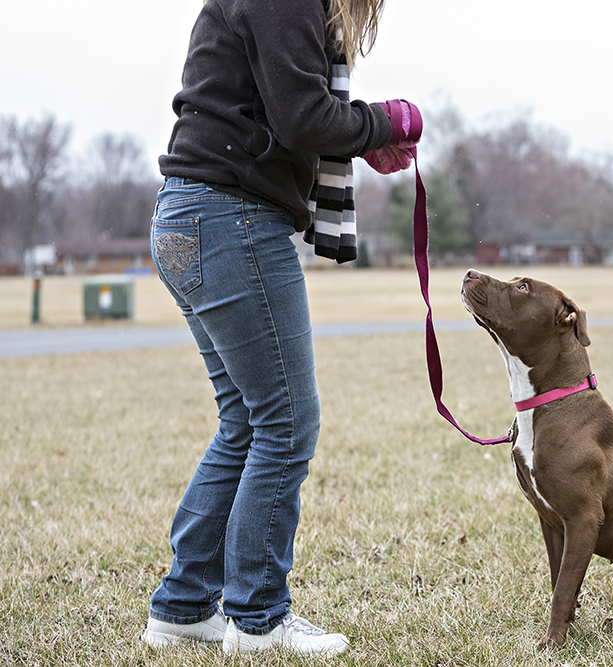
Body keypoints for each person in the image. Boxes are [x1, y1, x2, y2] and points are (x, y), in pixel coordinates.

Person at [141, 0, 415, 655]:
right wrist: (388, 120)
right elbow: (302, 116)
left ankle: (183, 606)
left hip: (187, 216)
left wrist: (363, 133)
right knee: (286, 421)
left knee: (246, 419)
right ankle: (259, 614)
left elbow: (283, 105)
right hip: (230, 218)